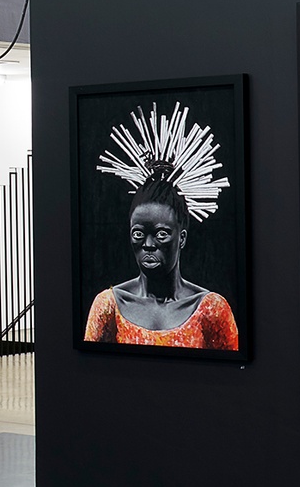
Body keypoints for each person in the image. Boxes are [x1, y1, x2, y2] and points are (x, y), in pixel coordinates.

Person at [83, 102, 238, 349]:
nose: (148, 244)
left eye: (162, 234)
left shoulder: (211, 309)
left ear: (182, 237)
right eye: (138, 233)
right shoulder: (109, 305)